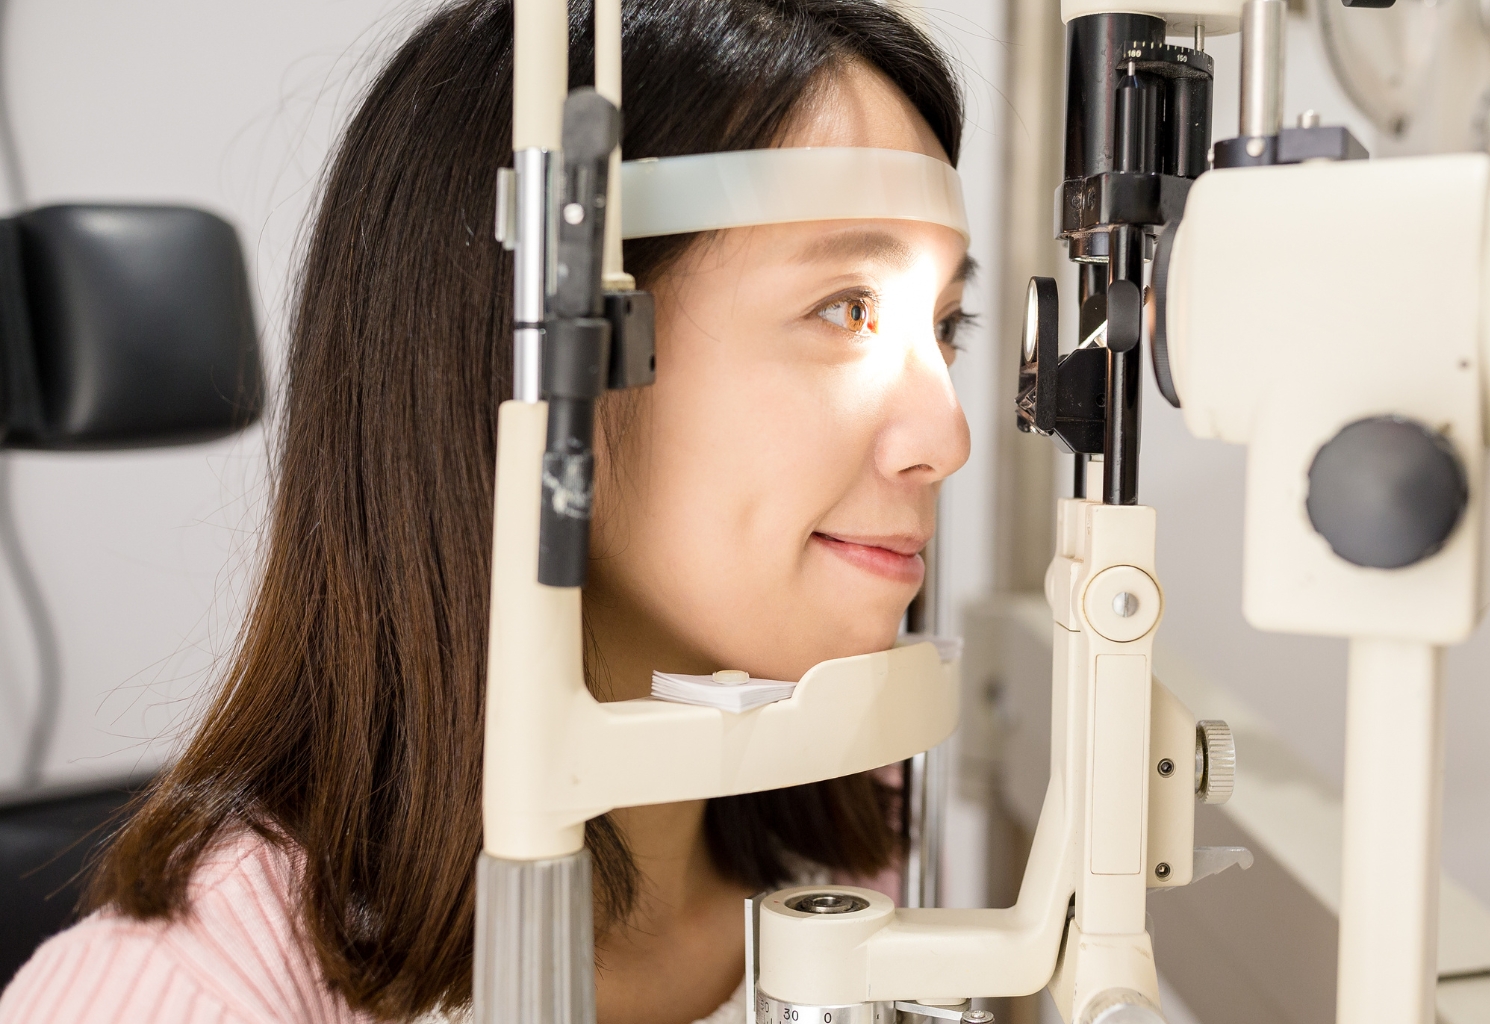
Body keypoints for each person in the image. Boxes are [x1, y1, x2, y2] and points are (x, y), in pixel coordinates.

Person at [0, 1, 973, 1021]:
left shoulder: (869, 867)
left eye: (949, 323)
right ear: (548, 350)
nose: (942, 437)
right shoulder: (180, 996)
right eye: (844, 307)